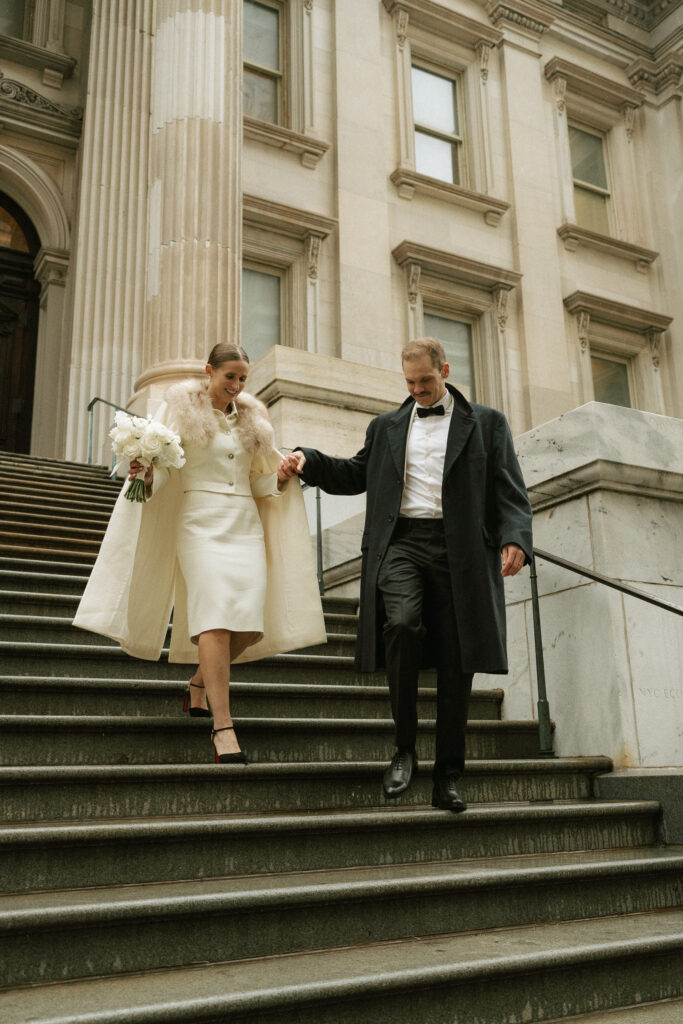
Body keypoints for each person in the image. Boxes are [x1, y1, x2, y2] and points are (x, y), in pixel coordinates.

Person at [279, 338, 532, 811]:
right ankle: (404, 750)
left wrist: (515, 537)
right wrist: (307, 460)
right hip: (401, 545)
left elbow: (510, 489)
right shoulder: (387, 426)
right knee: (400, 623)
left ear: (445, 371)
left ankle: (448, 776)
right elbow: (355, 474)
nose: (418, 390)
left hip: (462, 553)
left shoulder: (488, 424)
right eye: (410, 383)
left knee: (459, 664)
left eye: (426, 381)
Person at [74, 343, 326, 763]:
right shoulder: (180, 411)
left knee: (248, 628)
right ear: (210, 371)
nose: (237, 385)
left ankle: (197, 683)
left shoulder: (254, 422)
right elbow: (165, 468)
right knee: (215, 616)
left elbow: (257, 483)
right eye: (230, 376)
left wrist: (280, 478)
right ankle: (223, 728)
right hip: (199, 525)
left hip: (245, 526)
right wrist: (147, 473)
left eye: (243, 379)